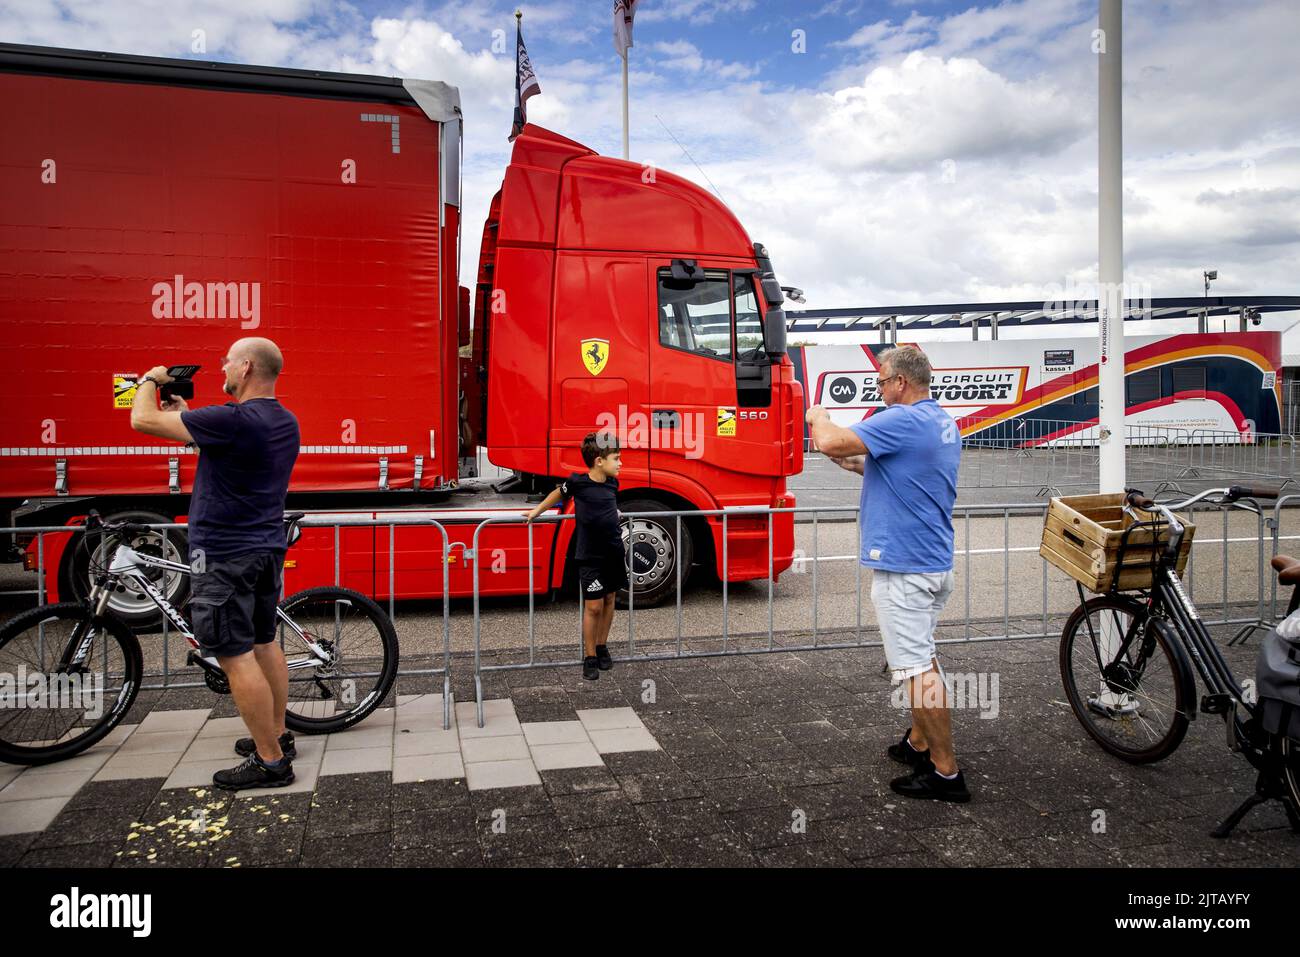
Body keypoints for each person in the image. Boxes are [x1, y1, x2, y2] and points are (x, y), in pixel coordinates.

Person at [130, 338, 301, 790]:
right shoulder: (284, 420)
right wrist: (186, 412)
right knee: (264, 642)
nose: (222, 367)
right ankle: (279, 734)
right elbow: (232, 456)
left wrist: (150, 378)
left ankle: (271, 762)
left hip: (225, 553)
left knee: (233, 653)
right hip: (265, 547)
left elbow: (142, 418)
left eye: (227, 361)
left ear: (245, 368)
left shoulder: (231, 420)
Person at [805, 345, 969, 802]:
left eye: (880, 381)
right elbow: (876, 463)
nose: (878, 387)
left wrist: (817, 416)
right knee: (925, 656)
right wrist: (852, 458)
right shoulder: (939, 421)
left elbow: (832, 441)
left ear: (900, 382)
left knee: (916, 669)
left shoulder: (903, 419)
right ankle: (918, 743)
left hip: (904, 566)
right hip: (932, 562)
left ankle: (945, 773)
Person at [526, 432, 625, 681]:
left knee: (610, 599)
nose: (621, 463)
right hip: (589, 556)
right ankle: (589, 656)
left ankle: (602, 647)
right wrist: (536, 511)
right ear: (599, 461)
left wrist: (615, 511)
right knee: (593, 606)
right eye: (617, 458)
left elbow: (608, 505)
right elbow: (558, 494)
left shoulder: (613, 483)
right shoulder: (578, 482)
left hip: (613, 552)